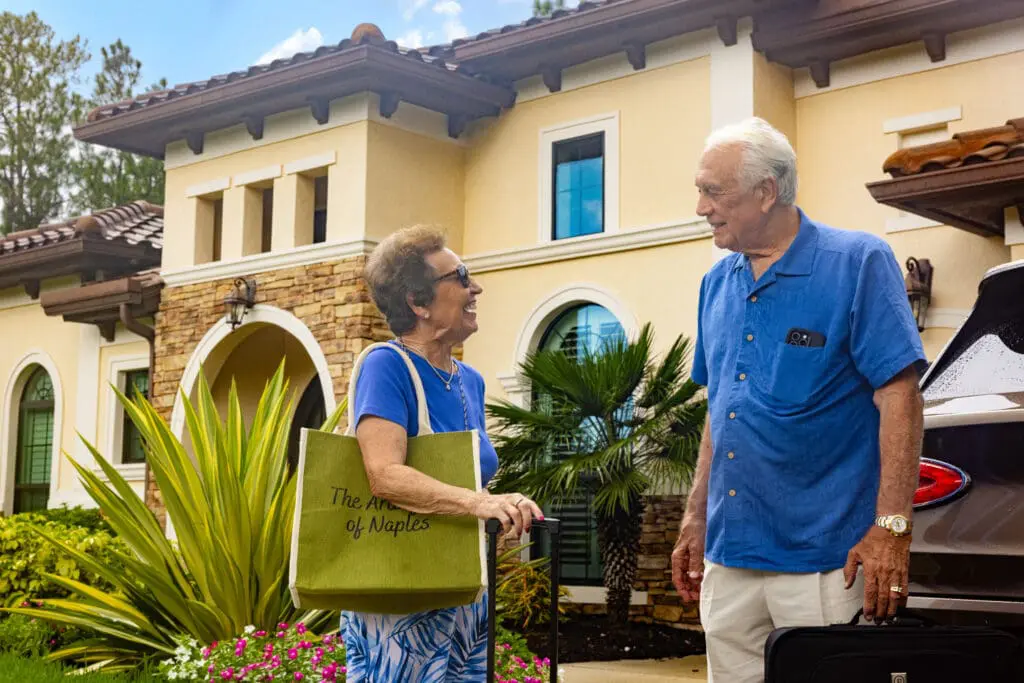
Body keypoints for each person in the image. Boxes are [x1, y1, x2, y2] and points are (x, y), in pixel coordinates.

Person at [671, 118, 926, 683]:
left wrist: (892, 529)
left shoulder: (857, 262)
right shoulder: (715, 284)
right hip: (729, 560)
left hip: (826, 563)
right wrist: (695, 516)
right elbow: (721, 411)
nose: (701, 208)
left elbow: (900, 397)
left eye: (714, 192)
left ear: (766, 192)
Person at [343, 225, 543, 682]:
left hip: (464, 586)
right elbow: (384, 474)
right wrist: (477, 503)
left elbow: (468, 480)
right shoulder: (385, 365)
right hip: (401, 594)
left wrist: (503, 501)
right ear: (419, 302)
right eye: (462, 276)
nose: (476, 288)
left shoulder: (469, 379)